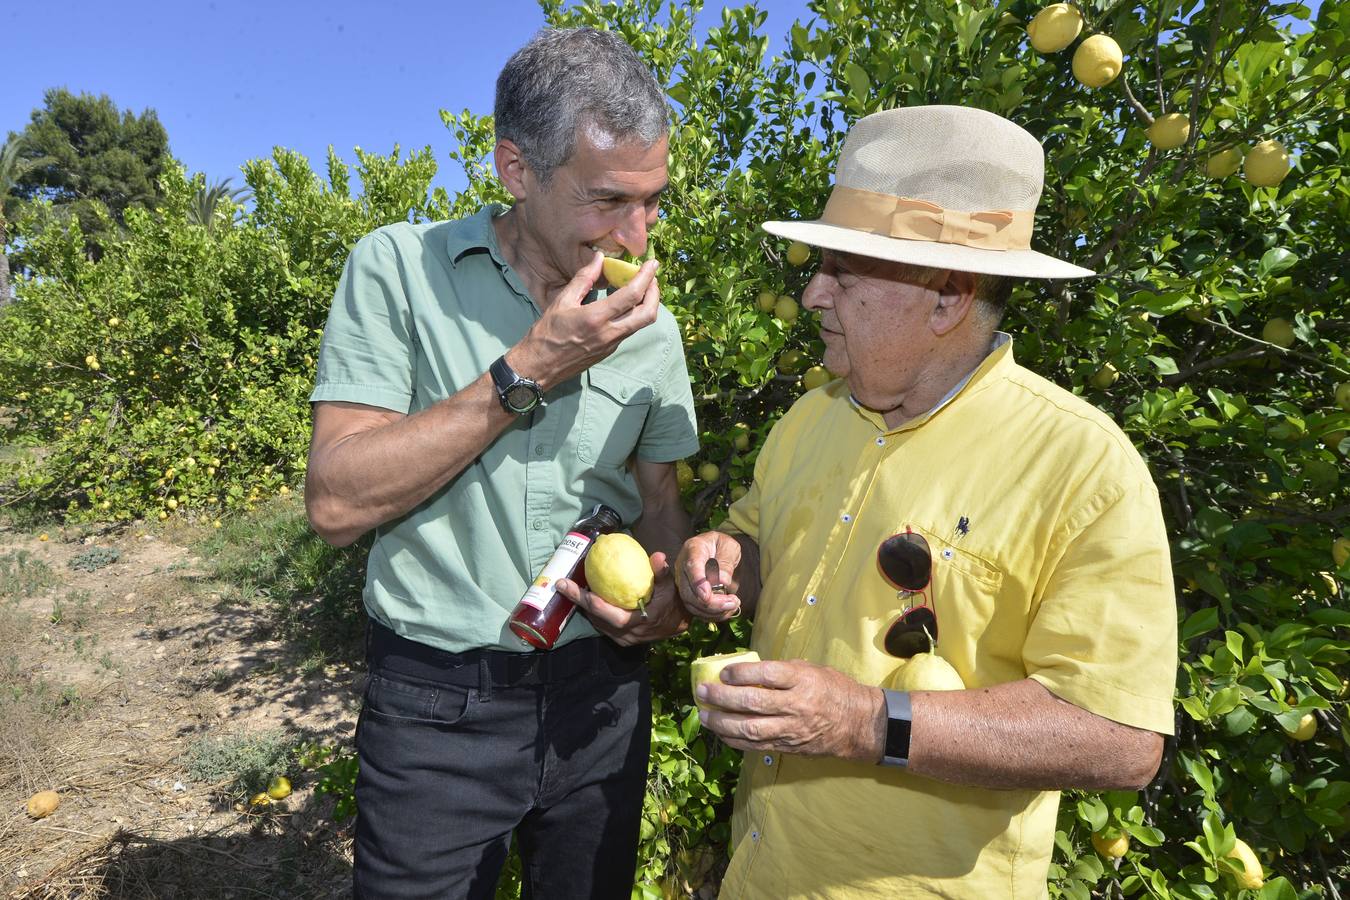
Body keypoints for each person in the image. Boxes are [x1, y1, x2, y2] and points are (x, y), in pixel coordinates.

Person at [675, 105, 1178, 899]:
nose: (812, 294)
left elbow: (1118, 736)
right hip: (763, 870)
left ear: (946, 295)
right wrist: (730, 558)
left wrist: (869, 723)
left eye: (842, 271)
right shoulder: (810, 417)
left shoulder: (1082, 467)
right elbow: (758, 543)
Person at [305, 28, 699, 900]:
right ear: (516, 170)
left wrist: (670, 591)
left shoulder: (650, 328)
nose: (637, 232)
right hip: (436, 709)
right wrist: (527, 371)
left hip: (601, 699)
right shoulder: (399, 271)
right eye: (608, 202)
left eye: (654, 200)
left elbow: (660, 501)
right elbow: (334, 504)